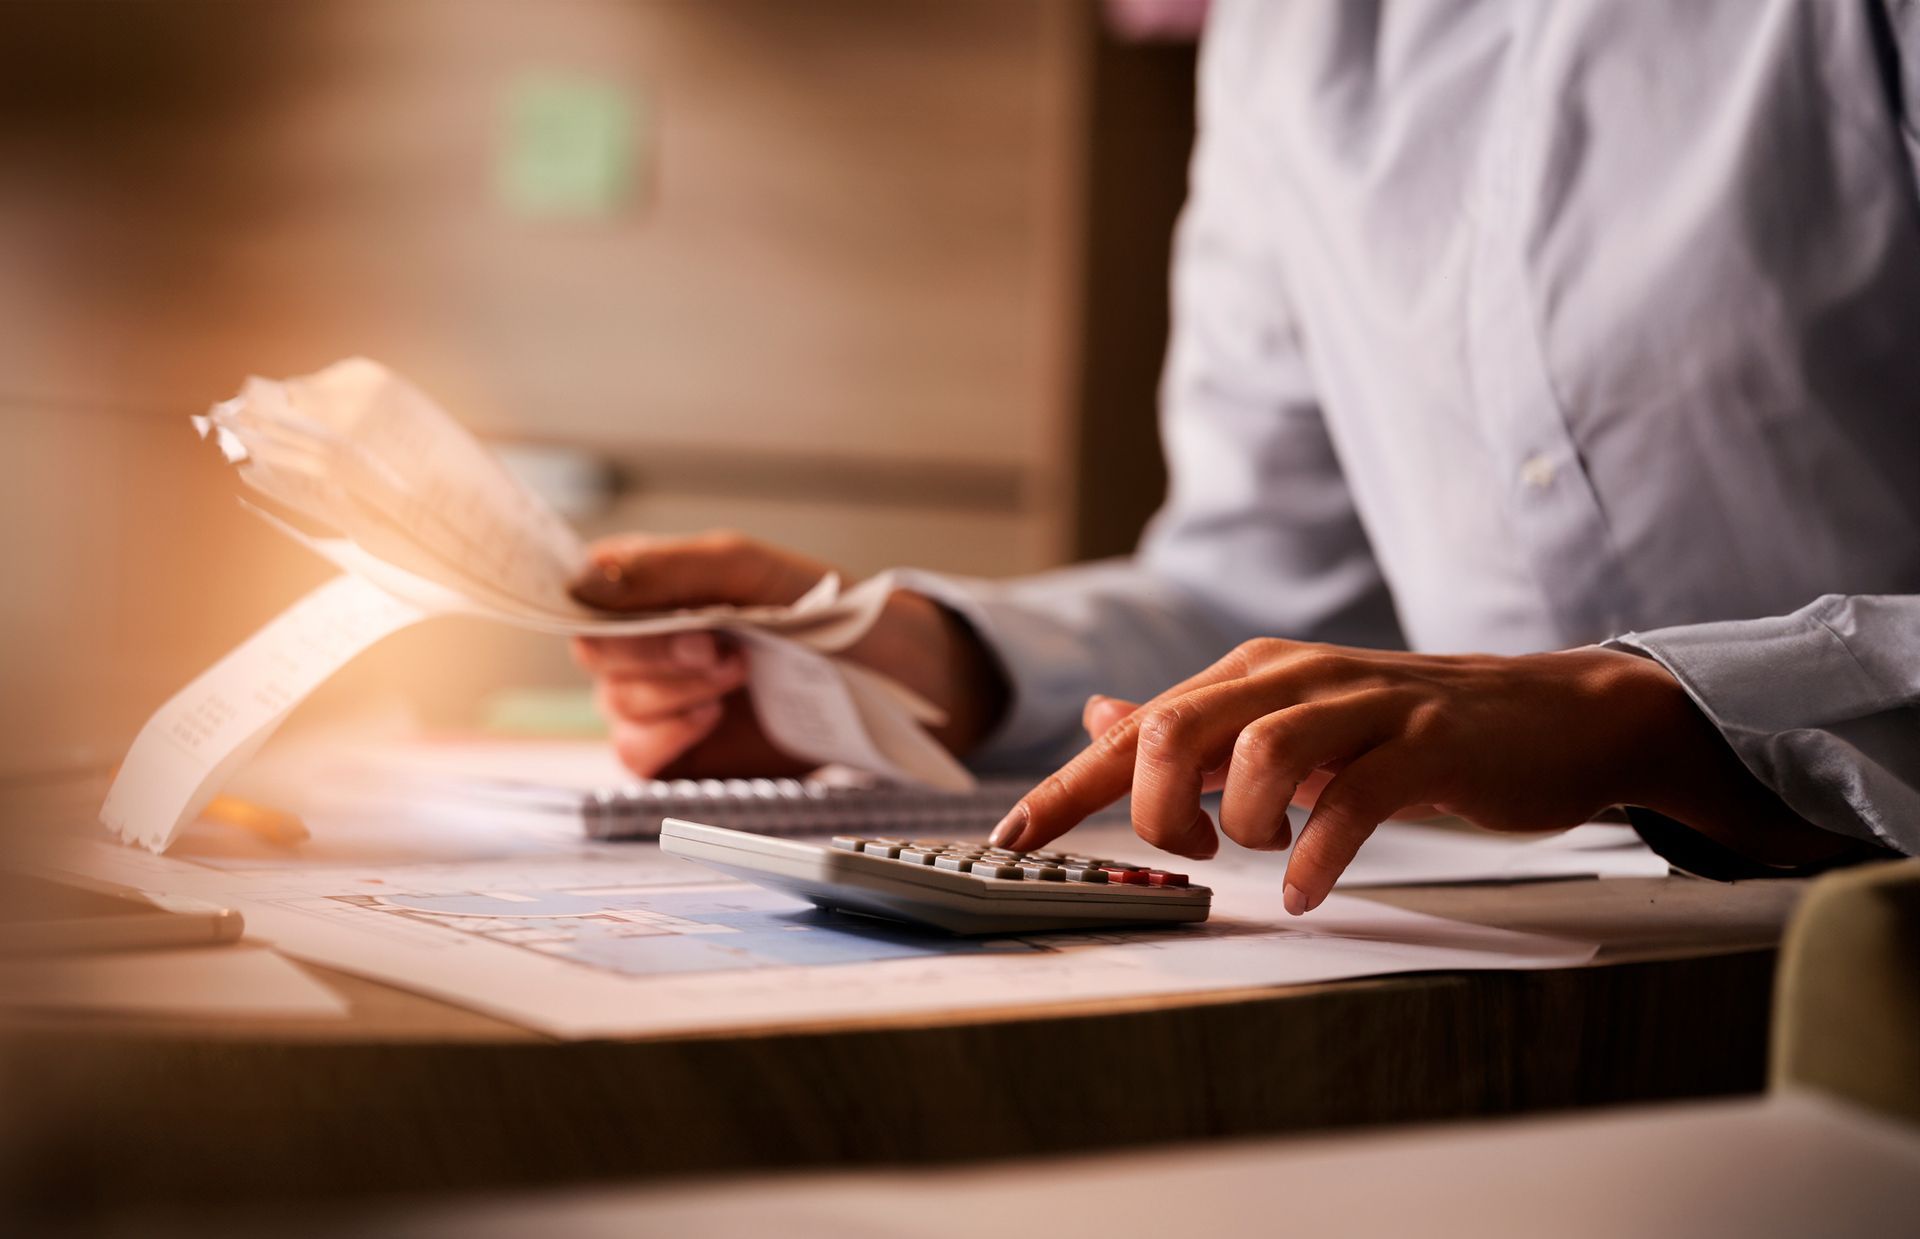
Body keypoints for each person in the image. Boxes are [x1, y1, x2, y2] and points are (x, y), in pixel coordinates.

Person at [570, 0, 1920, 913]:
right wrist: (921, 656)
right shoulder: (1287, 36)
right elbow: (1274, 601)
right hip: (1505, 955)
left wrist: (1662, 716)